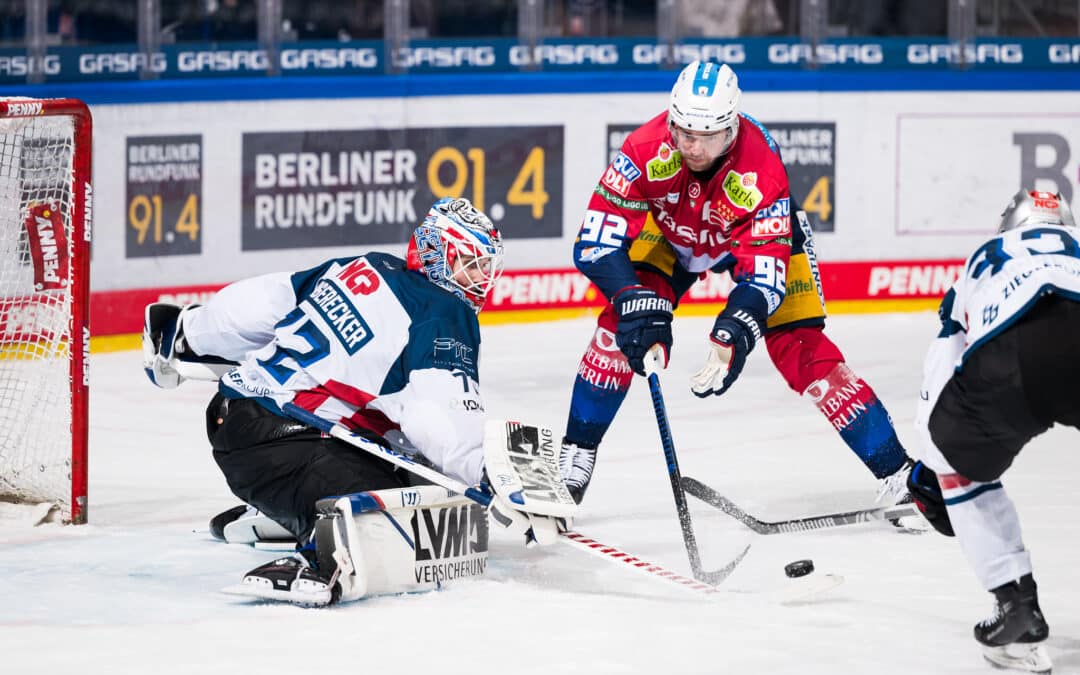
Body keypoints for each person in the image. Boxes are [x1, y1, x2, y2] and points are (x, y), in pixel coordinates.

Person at [142, 197, 563, 604]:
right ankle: (318, 552)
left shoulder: (366, 267)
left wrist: (189, 330)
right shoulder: (443, 314)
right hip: (286, 438)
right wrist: (489, 475)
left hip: (236, 415)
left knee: (419, 475)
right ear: (437, 255)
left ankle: (287, 513)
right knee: (414, 516)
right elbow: (439, 418)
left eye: (485, 267)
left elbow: (265, 300)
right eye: (470, 265)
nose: (481, 279)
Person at [560, 60, 920, 526]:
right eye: (684, 131)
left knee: (802, 349)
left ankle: (900, 474)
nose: (692, 146)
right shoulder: (644, 148)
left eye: (706, 136)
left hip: (747, 242)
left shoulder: (763, 169)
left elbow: (766, 278)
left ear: (731, 129)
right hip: (670, 235)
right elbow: (593, 242)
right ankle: (575, 456)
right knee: (617, 330)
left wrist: (737, 327)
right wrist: (630, 296)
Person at [907, 189, 1079, 673]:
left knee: (959, 470)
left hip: (1014, 349)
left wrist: (934, 462)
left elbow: (945, 355)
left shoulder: (986, 256)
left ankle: (1017, 605)